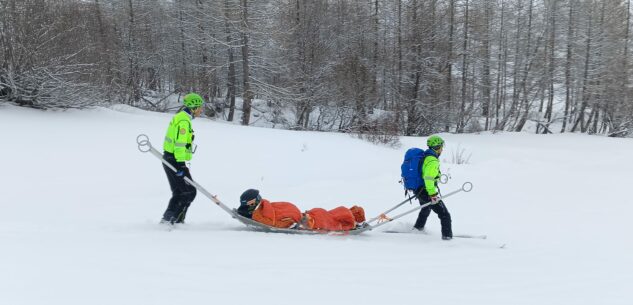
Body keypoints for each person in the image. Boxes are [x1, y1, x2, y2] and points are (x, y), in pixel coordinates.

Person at [160, 93, 205, 225]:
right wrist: (180, 165)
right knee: (188, 192)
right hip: (174, 160)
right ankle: (173, 220)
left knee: (180, 191)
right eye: (200, 107)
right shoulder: (184, 122)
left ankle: (169, 219)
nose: (201, 110)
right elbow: (179, 145)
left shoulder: (181, 117)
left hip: (170, 158)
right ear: (193, 107)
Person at [237, 189, 366, 231]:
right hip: (309, 215)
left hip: (311, 218)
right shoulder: (267, 206)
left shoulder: (263, 212)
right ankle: (354, 219)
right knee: (333, 216)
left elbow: (280, 223)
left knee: (333, 220)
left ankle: (354, 222)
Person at [413, 135, 453, 240]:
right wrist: (433, 195)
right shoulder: (432, 161)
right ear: (437, 147)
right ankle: (447, 238)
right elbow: (428, 178)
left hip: (419, 189)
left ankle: (418, 228)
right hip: (426, 191)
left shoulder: (426, 156)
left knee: (425, 209)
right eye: (441, 147)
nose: (442, 149)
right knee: (444, 215)